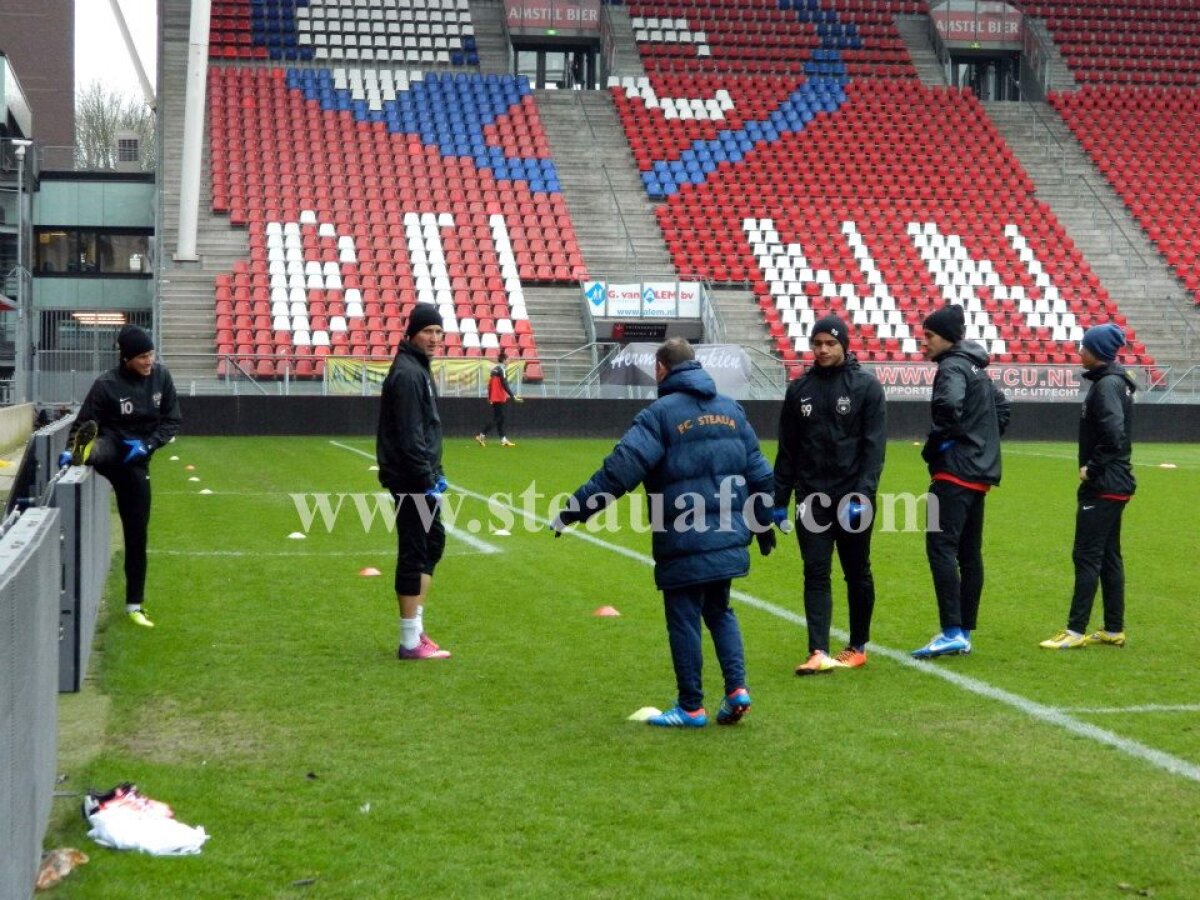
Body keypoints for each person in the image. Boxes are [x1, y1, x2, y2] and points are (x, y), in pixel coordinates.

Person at [550, 338, 775, 728]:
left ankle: (691, 706)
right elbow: (759, 472)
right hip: (728, 535)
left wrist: (574, 509)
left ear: (660, 369)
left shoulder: (658, 415)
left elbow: (618, 472)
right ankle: (737, 689)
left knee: (685, 618)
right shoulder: (732, 411)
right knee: (720, 611)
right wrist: (765, 519)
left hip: (683, 538)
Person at [773, 315, 887, 675]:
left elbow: (873, 450)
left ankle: (857, 646)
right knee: (815, 571)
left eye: (829, 343)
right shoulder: (799, 390)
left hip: (853, 498)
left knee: (857, 572)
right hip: (811, 500)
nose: (822, 350)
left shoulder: (866, 388)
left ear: (844, 345)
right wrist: (778, 500)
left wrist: (862, 496)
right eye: (817, 343)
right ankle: (818, 650)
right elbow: (788, 450)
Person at [61, 324, 182, 628]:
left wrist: (149, 445)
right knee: (103, 449)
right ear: (126, 357)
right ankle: (85, 452)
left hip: (138, 459)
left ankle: (134, 605)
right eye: (142, 356)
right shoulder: (106, 385)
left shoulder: (161, 378)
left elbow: (172, 421)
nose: (149, 361)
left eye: (151, 354)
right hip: (114, 444)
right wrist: (70, 449)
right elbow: (84, 420)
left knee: (137, 533)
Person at [912, 304, 1010, 659]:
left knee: (941, 548)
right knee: (969, 554)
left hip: (954, 473)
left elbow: (948, 407)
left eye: (929, 336)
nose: (924, 343)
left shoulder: (952, 366)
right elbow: (1003, 410)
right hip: (978, 475)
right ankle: (964, 631)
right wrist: (981, 441)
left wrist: (940, 444)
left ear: (947, 337)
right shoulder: (977, 370)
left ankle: (952, 630)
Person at [1039, 324, 1135, 650]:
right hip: (1116, 483)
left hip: (1105, 484)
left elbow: (1113, 434)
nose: (1079, 351)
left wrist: (1091, 469)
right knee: (1109, 557)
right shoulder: (1115, 383)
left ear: (1097, 351)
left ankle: (1075, 630)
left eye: (1083, 347)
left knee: (1086, 555)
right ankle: (1113, 628)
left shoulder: (1107, 386)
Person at [377, 304, 452, 660]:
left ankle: (416, 629)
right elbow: (410, 434)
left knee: (432, 542)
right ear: (412, 334)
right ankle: (409, 640)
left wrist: (435, 473)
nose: (434, 338)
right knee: (415, 550)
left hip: (420, 476)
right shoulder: (408, 374)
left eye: (439, 332)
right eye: (428, 332)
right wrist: (427, 478)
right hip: (411, 479)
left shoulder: (416, 369)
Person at [475, 349, 522, 447]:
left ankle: (503, 439)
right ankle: (481, 435)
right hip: (499, 397)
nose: (509, 361)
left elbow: (490, 384)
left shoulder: (494, 369)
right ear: (504, 360)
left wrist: (490, 396)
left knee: (500, 418)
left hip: (494, 397)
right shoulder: (502, 369)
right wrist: (512, 396)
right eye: (508, 359)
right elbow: (504, 384)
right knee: (498, 418)